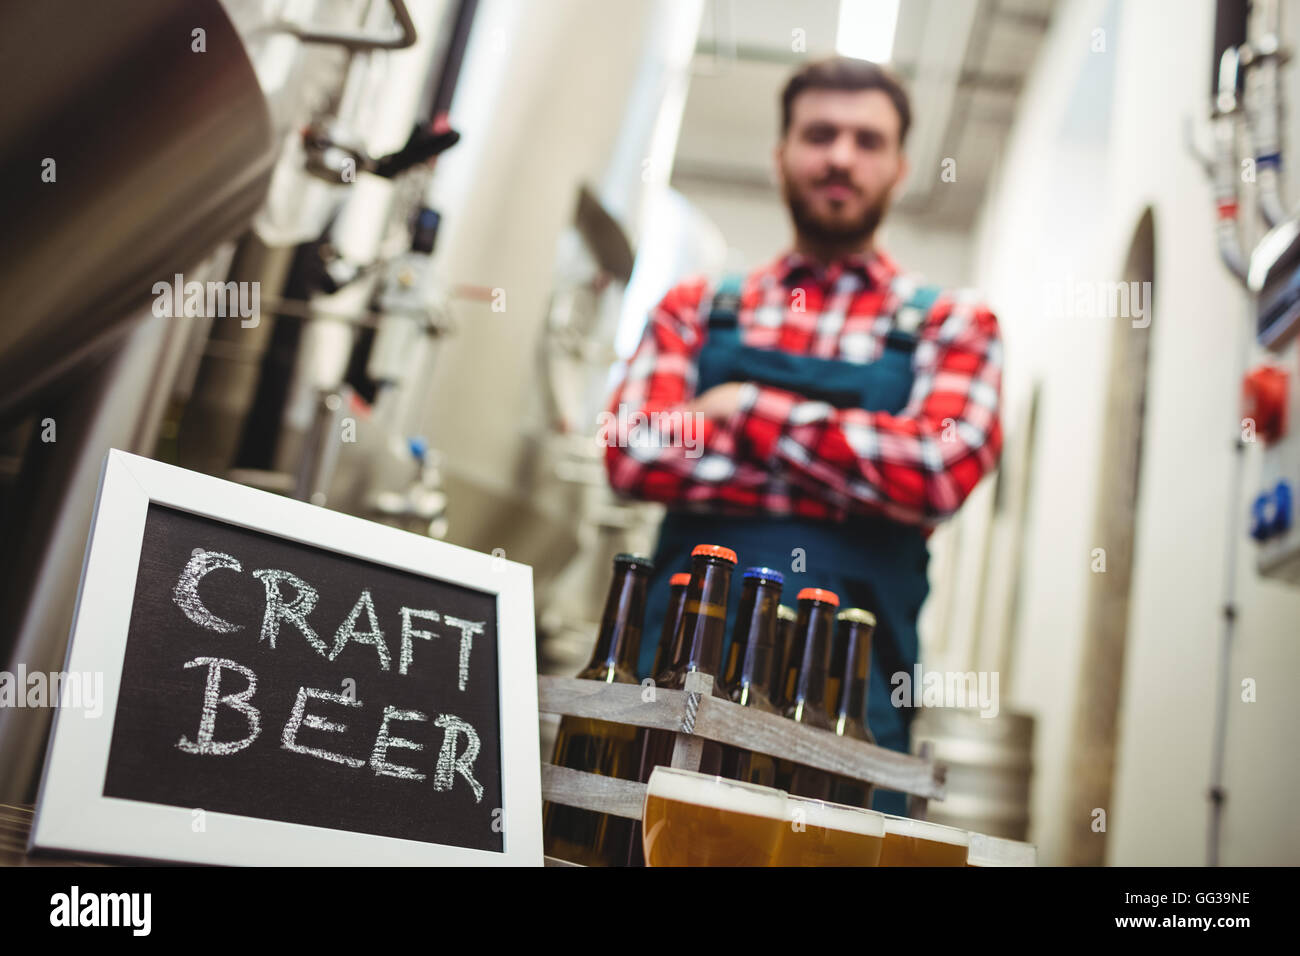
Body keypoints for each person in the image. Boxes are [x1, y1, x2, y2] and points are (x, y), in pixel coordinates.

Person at [603, 56, 1003, 817]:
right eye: (820, 134)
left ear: (899, 166)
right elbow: (631, 449)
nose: (841, 157)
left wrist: (740, 410)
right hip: (673, 696)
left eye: (867, 139)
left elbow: (936, 470)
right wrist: (858, 469)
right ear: (782, 153)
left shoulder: (954, 323)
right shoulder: (694, 305)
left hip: (855, 713)